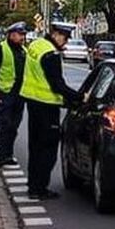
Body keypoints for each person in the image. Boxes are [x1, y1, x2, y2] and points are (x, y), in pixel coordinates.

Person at [21, 21, 81, 200]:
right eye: (65, 38)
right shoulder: (51, 54)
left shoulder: (36, 44)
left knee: (35, 146)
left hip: (32, 102)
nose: (66, 42)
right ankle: (40, 188)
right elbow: (57, 85)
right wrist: (78, 98)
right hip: (47, 106)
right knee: (47, 149)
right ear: (56, 35)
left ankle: (33, 185)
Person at [0, 21, 29, 168]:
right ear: (11, 35)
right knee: (4, 124)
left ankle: (8, 154)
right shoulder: (0, 49)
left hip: (20, 94)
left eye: (23, 35)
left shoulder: (23, 51)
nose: (23, 37)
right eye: (20, 35)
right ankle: (1, 156)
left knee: (14, 126)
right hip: (5, 92)